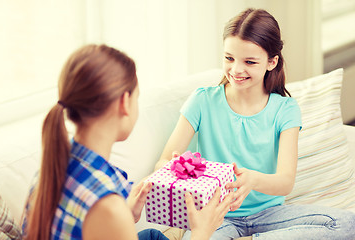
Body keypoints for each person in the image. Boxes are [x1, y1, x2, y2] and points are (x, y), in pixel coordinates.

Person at [155, 8, 355, 240]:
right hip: (218, 216)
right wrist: (186, 174)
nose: (236, 70)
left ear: (272, 62)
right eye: (229, 58)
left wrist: (252, 180)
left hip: (270, 215)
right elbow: (163, 162)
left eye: (249, 61)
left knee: (346, 224)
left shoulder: (285, 109)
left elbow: (285, 182)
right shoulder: (202, 100)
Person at [21, 44, 234, 240]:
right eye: (136, 97)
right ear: (124, 102)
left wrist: (127, 213)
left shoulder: (47, 172)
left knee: (152, 236)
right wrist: (201, 232)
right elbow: (103, 216)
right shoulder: (107, 207)